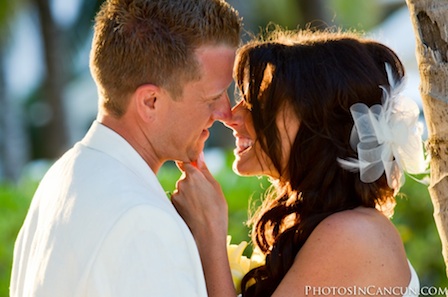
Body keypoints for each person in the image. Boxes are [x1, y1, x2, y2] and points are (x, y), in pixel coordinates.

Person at [172, 28, 426, 297]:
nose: (232, 116)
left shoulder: (355, 233)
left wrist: (209, 230)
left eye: (258, 103)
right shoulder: (333, 225)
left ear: (318, 122)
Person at [10, 0, 241, 296]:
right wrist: (211, 240)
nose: (226, 112)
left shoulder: (59, 181)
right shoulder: (143, 222)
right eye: (214, 97)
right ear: (150, 102)